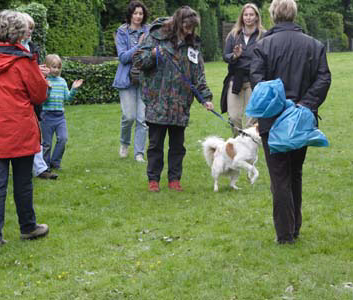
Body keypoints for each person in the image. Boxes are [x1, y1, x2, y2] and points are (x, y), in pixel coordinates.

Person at [250, 0, 331, 244]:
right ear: (294, 15)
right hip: (299, 118)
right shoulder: (312, 45)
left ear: (273, 15)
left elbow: (258, 84)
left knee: (281, 176)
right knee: (294, 172)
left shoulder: (263, 46)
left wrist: (292, 106)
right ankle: (293, 226)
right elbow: (323, 79)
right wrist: (304, 105)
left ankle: (286, 233)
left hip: (276, 120)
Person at [0, 10, 50, 247]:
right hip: (21, 129)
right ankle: (28, 227)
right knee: (22, 182)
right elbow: (40, 94)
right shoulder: (24, 61)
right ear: (19, 33)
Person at [133, 6, 214, 192]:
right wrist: (153, 54)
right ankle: (153, 180)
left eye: (192, 28)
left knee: (178, 146)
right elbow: (138, 61)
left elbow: (198, 75)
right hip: (157, 100)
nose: (189, 31)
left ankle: (174, 180)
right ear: (178, 23)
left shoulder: (192, 44)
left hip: (180, 103)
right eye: (186, 27)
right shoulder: (155, 36)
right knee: (155, 145)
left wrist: (205, 98)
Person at [21, 13, 58, 180]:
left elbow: (33, 70)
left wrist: (40, 73)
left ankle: (40, 168)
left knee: (35, 133)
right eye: (27, 27)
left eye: (32, 28)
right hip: (19, 96)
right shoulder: (13, 48)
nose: (30, 31)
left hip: (33, 98)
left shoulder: (33, 47)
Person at [221, 3, 265, 136]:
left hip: (254, 82)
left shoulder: (263, 35)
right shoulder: (234, 35)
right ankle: (237, 143)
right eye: (246, 15)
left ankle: (249, 149)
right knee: (234, 117)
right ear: (242, 17)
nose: (248, 17)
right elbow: (225, 56)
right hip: (236, 80)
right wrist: (235, 56)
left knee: (251, 121)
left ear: (257, 17)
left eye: (251, 14)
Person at [113, 1, 149, 161]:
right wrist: (139, 46)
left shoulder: (148, 31)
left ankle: (139, 153)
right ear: (130, 14)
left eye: (141, 14)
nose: (138, 16)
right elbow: (123, 57)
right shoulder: (122, 32)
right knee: (129, 116)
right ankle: (124, 143)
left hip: (144, 79)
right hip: (126, 79)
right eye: (135, 13)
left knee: (142, 118)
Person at [41, 54, 83, 170]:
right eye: (53, 67)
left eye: (58, 67)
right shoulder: (44, 81)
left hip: (60, 117)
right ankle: (45, 166)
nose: (56, 70)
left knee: (63, 139)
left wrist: (74, 89)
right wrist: (48, 89)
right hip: (46, 116)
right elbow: (42, 99)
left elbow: (68, 98)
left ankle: (55, 162)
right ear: (47, 67)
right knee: (47, 144)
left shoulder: (62, 81)